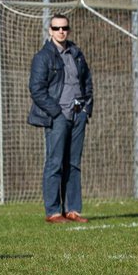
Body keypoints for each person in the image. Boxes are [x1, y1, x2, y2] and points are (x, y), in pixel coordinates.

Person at [27, 13, 94, 223]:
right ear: (50, 30)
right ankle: (54, 212)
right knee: (54, 163)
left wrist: (85, 109)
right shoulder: (43, 57)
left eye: (64, 27)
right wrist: (56, 112)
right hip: (58, 117)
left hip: (77, 116)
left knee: (73, 164)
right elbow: (36, 89)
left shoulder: (76, 53)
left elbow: (87, 81)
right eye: (56, 28)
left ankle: (72, 210)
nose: (61, 31)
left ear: (69, 29)